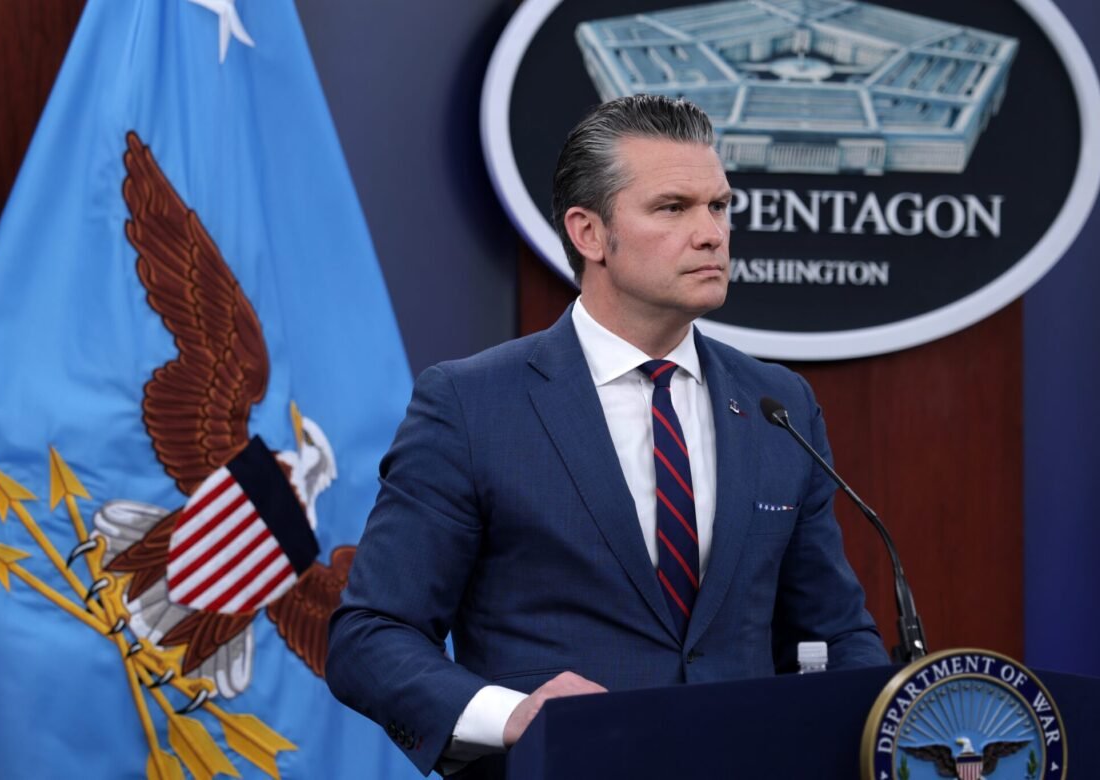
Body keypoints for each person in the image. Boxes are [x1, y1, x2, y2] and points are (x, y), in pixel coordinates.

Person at [326, 94, 887, 777]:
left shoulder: (778, 404)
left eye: (719, 207)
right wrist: (511, 713)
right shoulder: (473, 405)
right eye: (673, 207)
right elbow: (370, 636)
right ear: (589, 233)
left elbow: (834, 633)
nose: (711, 233)